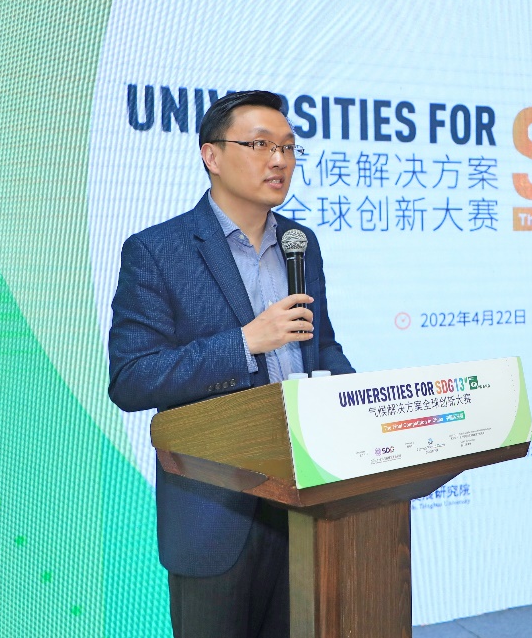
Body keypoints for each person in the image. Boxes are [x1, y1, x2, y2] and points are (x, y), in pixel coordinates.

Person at [107, 90, 354, 638]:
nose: (279, 160)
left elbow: (321, 348)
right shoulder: (158, 250)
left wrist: (360, 403)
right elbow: (131, 378)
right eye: (260, 145)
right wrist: (245, 342)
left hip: (306, 499)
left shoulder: (301, 243)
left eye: (288, 147)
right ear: (211, 155)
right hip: (214, 509)